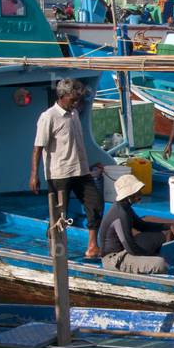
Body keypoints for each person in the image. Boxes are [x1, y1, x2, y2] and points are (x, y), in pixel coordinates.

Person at [30, 78, 103, 259]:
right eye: (73, 98)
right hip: (59, 173)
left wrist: (91, 164)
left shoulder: (74, 114)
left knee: (95, 204)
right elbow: (38, 148)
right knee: (58, 214)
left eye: (77, 98)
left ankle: (93, 246)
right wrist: (34, 175)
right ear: (62, 96)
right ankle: (54, 249)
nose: (75, 102)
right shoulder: (48, 117)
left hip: (81, 171)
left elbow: (76, 144)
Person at [100, 174, 174, 275]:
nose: (140, 194)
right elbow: (130, 247)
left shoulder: (125, 207)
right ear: (129, 194)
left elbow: (142, 226)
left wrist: (169, 226)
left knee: (160, 237)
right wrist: (149, 257)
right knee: (161, 264)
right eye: (137, 192)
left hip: (124, 251)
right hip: (114, 259)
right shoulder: (121, 214)